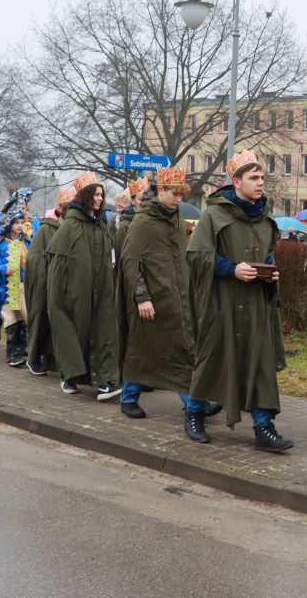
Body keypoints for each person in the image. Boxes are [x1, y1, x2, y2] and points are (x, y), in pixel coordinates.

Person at [186, 150, 291, 451]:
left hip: (257, 303)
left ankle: (263, 426)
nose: (261, 183)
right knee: (213, 358)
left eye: (262, 178)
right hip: (223, 303)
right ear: (236, 182)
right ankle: (194, 414)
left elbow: (267, 254)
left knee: (259, 362)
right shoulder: (213, 215)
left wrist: (270, 273)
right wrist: (231, 269)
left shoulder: (265, 219)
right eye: (254, 178)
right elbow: (196, 257)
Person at [116, 167, 221, 429]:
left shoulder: (175, 217)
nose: (178, 200)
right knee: (141, 348)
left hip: (176, 297)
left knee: (182, 349)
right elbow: (130, 262)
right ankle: (129, 398)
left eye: (182, 195)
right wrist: (142, 297)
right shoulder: (143, 221)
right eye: (174, 194)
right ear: (160, 190)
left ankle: (193, 401)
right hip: (151, 299)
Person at [46, 172, 120, 400]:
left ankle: (104, 381)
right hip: (76, 294)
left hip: (102, 291)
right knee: (76, 334)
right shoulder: (70, 227)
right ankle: (69, 374)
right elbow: (57, 269)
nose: (100, 199)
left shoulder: (100, 226)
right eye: (96, 195)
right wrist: (64, 296)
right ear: (85, 196)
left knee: (104, 332)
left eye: (101, 194)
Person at [25, 188, 73, 377]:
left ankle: (51, 359)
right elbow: (35, 259)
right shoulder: (46, 229)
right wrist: (45, 280)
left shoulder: (68, 227)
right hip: (43, 282)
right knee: (40, 318)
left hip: (60, 283)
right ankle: (33, 357)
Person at [0, 209, 29, 367]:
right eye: (16, 223)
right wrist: (2, 269)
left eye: (21, 223)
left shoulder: (26, 243)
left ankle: (19, 347)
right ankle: (11, 352)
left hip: (23, 288)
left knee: (21, 319)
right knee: (11, 319)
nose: (19, 226)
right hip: (5, 288)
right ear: (9, 224)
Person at [113, 177, 149, 263]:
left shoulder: (154, 221)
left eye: (147, 199)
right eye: (141, 199)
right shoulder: (125, 226)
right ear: (132, 201)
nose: (144, 202)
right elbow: (121, 256)